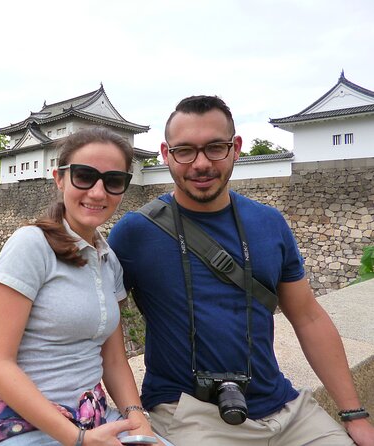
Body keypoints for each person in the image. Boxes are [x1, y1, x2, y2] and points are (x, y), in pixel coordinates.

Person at [108, 95, 374, 445]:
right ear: (165, 154)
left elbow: (308, 317)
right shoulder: (134, 233)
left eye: (215, 147)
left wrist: (354, 414)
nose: (201, 163)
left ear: (235, 148)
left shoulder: (269, 223)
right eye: (185, 150)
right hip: (187, 413)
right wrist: (133, 413)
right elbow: (103, 329)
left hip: (286, 409)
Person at [0, 127, 171, 445]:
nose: (98, 193)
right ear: (59, 178)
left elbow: (113, 359)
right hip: (28, 425)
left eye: (112, 181)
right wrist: (77, 438)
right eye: (84, 176)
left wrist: (136, 416)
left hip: (93, 417)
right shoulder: (31, 245)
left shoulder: (108, 260)